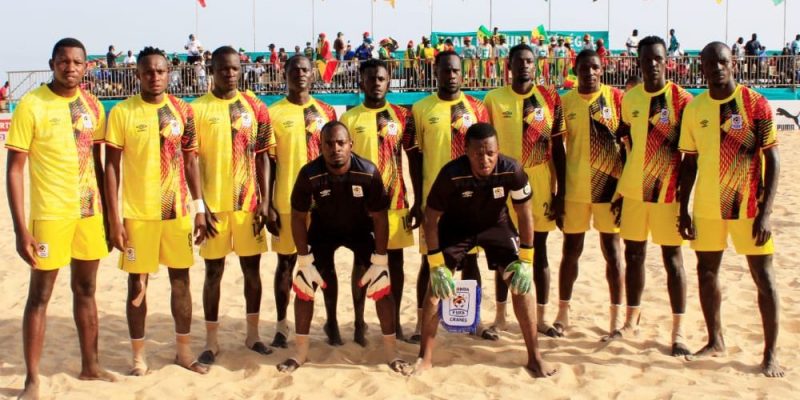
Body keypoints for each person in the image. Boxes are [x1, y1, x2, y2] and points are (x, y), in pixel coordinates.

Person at [6, 37, 116, 400]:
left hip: (88, 212)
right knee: (40, 295)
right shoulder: (31, 104)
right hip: (50, 215)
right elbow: (15, 170)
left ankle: (91, 366)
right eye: (63, 61)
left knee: (86, 290)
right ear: (52, 63)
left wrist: (107, 217)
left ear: (86, 67)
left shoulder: (93, 106)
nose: (70, 68)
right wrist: (21, 229)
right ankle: (32, 380)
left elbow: (100, 167)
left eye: (77, 62)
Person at [414, 122, 557, 378]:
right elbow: (431, 218)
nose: (485, 159)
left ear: (498, 150)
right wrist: (436, 264)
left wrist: (526, 258)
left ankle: (535, 357)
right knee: (436, 287)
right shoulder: (451, 174)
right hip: (456, 228)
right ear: (466, 151)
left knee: (521, 282)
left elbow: (525, 213)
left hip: (496, 224)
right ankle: (425, 358)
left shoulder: (512, 170)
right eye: (478, 153)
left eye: (490, 152)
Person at [678, 41, 783, 378]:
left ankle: (770, 355)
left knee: (764, 279)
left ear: (733, 63)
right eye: (710, 64)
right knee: (706, 273)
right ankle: (715, 340)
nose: (717, 68)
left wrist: (766, 212)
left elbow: (773, 159)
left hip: (750, 208)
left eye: (723, 61)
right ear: (702, 69)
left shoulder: (756, 104)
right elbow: (689, 163)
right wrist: (683, 207)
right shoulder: (694, 109)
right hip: (708, 208)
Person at [275, 121, 412, 375]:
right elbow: (297, 217)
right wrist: (303, 258)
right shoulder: (309, 174)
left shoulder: (368, 172)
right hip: (323, 232)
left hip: (360, 231)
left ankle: (392, 352)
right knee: (304, 285)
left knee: (382, 284)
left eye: (340, 143)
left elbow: (381, 217)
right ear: (320, 146)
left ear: (351, 144)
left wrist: (381, 259)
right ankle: (300, 352)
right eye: (329, 143)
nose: (335, 148)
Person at [104, 46, 209, 375]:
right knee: (137, 286)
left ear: (168, 73)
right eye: (148, 71)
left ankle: (183, 351)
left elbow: (191, 162)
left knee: (181, 282)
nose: (155, 76)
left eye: (160, 71)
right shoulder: (122, 112)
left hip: (177, 214)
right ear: (138, 74)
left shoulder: (183, 111)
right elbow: (111, 168)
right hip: (138, 216)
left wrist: (199, 208)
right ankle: (138, 357)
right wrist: (114, 218)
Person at [191, 46, 275, 366]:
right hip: (213, 208)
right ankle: (211, 341)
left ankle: (253, 335)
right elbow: (191, 162)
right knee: (213, 273)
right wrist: (200, 205)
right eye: (223, 68)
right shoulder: (196, 110)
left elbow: (263, 155)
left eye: (235, 68)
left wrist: (265, 201)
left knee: (252, 271)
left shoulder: (255, 107)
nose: (229, 73)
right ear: (211, 69)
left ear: (241, 70)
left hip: (247, 206)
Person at [611, 36, 693, 356]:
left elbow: (690, 158)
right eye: (647, 59)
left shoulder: (682, 100)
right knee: (634, 256)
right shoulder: (629, 99)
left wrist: (686, 203)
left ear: (666, 60)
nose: (653, 64)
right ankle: (632, 320)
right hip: (633, 193)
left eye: (658, 58)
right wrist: (620, 191)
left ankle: (679, 330)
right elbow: (626, 139)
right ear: (639, 62)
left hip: (668, 194)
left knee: (673, 261)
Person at [483, 43, 567, 338]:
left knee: (539, 251)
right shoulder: (494, 99)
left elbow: (559, 150)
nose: (524, 66)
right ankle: (501, 316)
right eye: (519, 61)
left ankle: (541, 317)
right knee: (503, 251)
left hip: (541, 185)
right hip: (501, 186)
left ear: (537, 65)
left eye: (529, 61)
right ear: (509, 65)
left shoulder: (550, 99)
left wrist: (561, 193)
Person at [408, 50, 490, 343]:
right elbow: (415, 159)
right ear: (436, 72)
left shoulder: (477, 108)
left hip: (470, 201)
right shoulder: (420, 109)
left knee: (471, 262)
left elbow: (487, 156)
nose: (451, 76)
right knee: (429, 262)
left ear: (463, 73)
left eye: (456, 71)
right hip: (435, 203)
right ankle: (421, 324)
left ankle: (472, 320)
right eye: (446, 71)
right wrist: (418, 199)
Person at [340, 59, 422, 342]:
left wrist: (419, 199)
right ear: (361, 82)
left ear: (389, 82)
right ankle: (360, 322)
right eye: (371, 78)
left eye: (382, 78)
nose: (376, 82)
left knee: (395, 264)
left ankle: (396, 321)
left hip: (395, 202)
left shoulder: (401, 116)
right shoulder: (349, 119)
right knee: (362, 263)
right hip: (358, 207)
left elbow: (414, 160)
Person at [266, 55, 337, 348]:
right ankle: (282, 325)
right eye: (294, 70)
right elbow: (268, 162)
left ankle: (331, 322)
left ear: (314, 74)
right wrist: (268, 202)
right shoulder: (272, 113)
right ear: (285, 73)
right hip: (286, 201)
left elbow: (337, 157)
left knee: (326, 263)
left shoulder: (327, 111)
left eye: (305, 70)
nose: (300, 74)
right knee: (286, 263)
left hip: (323, 203)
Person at [554, 49, 625, 338]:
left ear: (602, 69)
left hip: (610, 190)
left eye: (595, 67)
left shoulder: (616, 99)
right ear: (576, 69)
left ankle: (616, 318)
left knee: (613, 253)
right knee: (571, 251)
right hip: (575, 191)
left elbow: (628, 144)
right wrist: (559, 192)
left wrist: (625, 189)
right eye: (585, 68)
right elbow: (558, 149)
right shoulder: (565, 102)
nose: (590, 73)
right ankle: (562, 314)